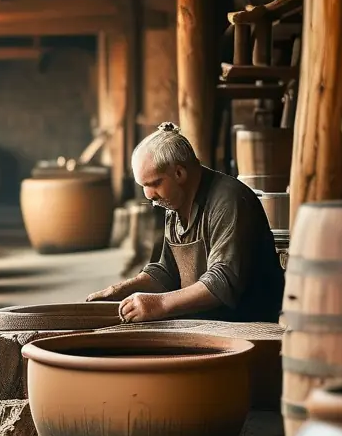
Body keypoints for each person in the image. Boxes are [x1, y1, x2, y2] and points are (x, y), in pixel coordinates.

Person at [87, 121, 285, 323]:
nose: (149, 196)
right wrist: (120, 290)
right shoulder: (174, 202)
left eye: (154, 183)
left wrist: (158, 304)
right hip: (207, 324)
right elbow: (167, 272)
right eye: (143, 186)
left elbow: (222, 283)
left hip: (249, 326)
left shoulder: (230, 201)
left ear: (179, 173)